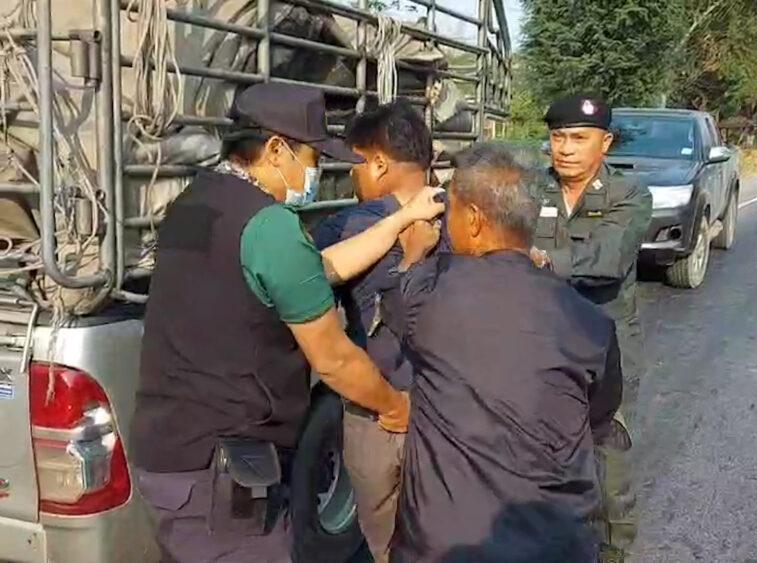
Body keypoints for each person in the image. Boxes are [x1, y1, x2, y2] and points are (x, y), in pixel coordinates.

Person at [130, 83, 443, 563]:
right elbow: (333, 359)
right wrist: (392, 405)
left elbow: (313, 271)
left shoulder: (195, 201)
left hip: (169, 454)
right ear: (276, 150)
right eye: (312, 157)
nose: (316, 172)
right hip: (223, 472)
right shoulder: (270, 225)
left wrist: (398, 222)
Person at [383, 143, 623, 563]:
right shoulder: (591, 322)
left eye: (452, 210)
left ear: (474, 220)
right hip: (555, 546)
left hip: (446, 548)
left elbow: (393, 304)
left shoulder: (427, 292)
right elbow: (599, 413)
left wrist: (413, 253)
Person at [310, 100, 440, 563]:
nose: (353, 176)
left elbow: (308, 280)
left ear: (379, 163)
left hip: (376, 411)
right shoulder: (468, 219)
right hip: (447, 409)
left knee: (386, 542)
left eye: (356, 164)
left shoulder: (350, 225)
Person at [529, 94, 653, 562]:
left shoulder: (629, 194)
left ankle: (611, 553)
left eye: (579, 138)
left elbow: (608, 260)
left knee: (607, 463)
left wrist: (537, 259)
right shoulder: (531, 190)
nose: (565, 148)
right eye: (558, 137)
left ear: (605, 142)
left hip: (606, 350)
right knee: (538, 455)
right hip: (541, 345)